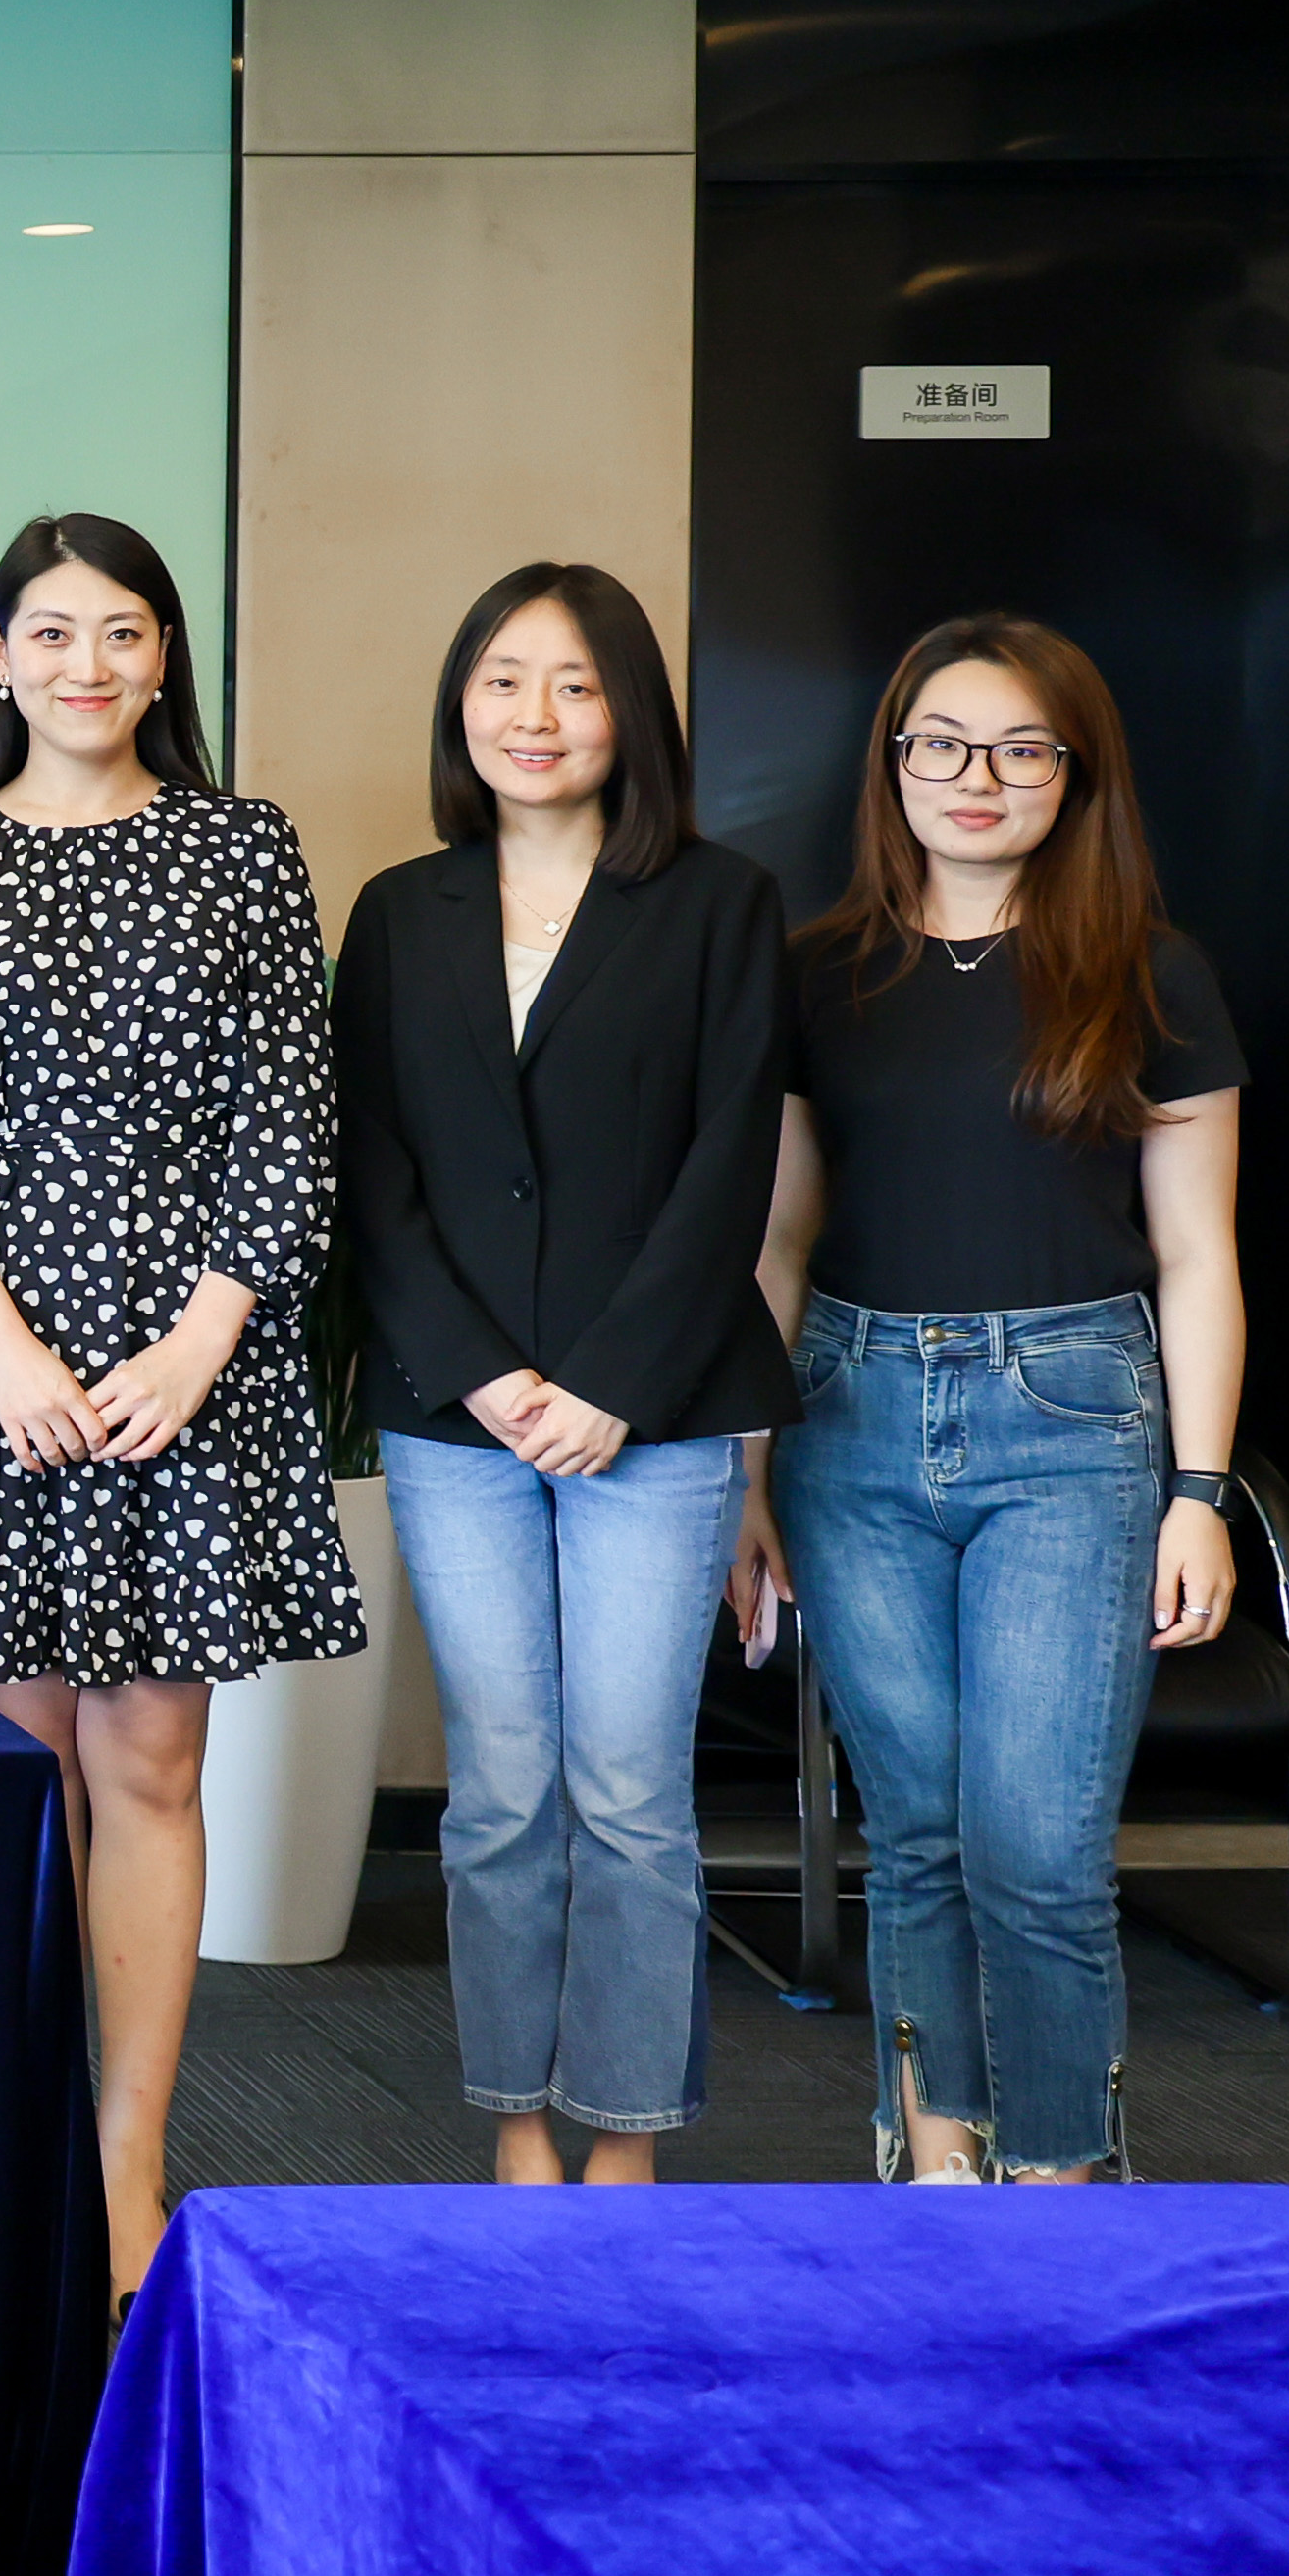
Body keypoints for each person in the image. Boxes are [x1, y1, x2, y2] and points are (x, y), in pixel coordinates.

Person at [0, 510, 358, 2305]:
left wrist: (204, 1342)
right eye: (51, 633)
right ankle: (19, 2142)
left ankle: (130, 2160)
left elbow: (292, 1110)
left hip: (185, 1367)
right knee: (17, 1765)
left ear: (164, 657)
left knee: (149, 1760)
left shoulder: (242, 845)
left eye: (122, 631)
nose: (87, 664)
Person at [736, 613, 1243, 2186]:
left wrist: (1201, 1494)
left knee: (1038, 1848)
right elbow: (780, 1242)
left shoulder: (1150, 972)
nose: (979, 775)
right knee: (918, 1835)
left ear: (1075, 777)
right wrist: (747, 1480)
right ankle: (937, 2168)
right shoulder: (818, 974)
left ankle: (1064, 2189)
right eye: (943, 743)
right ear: (893, 763)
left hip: (1072, 1426)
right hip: (849, 1417)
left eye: (1024, 749)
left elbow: (1198, 1254)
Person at [334, 565, 794, 2185]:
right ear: (461, 705)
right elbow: (370, 1170)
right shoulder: (401, 910)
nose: (535, 716)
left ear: (632, 713)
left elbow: (731, 1168)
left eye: (577, 685)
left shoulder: (722, 904)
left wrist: (610, 1383)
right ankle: (518, 2122)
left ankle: (628, 2137)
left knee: (631, 1788)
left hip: (652, 1412)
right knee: (502, 1789)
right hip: (454, 1412)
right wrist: (478, 1374)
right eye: (504, 681)